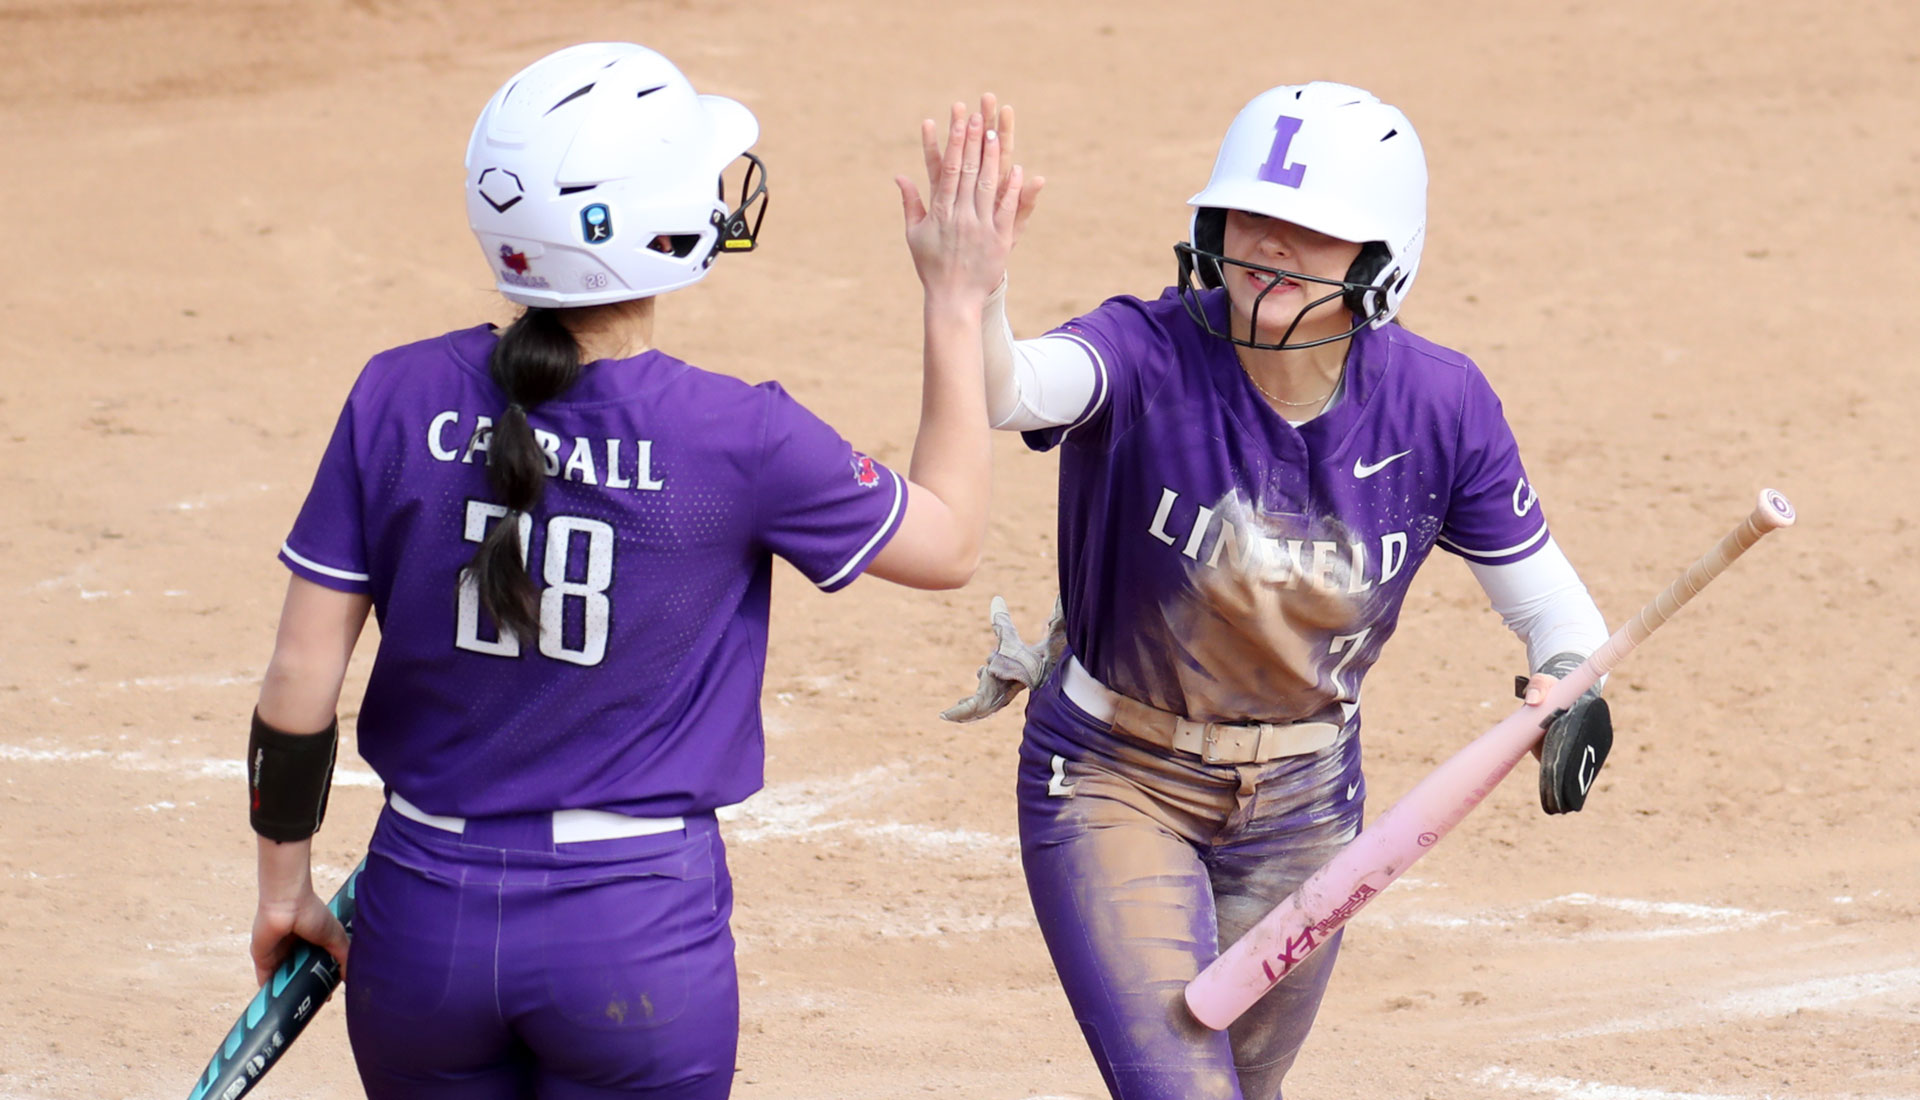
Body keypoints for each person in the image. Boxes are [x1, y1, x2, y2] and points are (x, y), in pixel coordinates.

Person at [241, 42, 1036, 1099]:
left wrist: (284, 887)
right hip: (634, 940)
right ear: (655, 226)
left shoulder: (394, 395)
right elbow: (949, 540)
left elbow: (298, 683)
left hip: (420, 922)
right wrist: (957, 300)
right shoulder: (739, 434)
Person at [942, 82, 1615, 1099]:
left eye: (1310, 229)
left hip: (1306, 802)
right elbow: (1009, 388)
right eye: (1247, 214)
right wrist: (975, 294)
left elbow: (1554, 613)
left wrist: (1568, 680)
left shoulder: (1441, 405)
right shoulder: (1145, 350)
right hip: (1117, 775)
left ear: (1382, 258)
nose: (1268, 244)